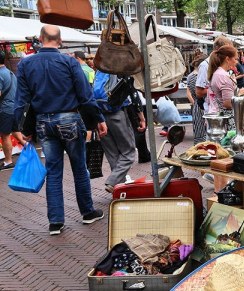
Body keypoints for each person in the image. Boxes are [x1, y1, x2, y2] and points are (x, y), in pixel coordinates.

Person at [14, 25, 107, 235]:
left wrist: (23, 127)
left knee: (53, 171)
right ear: (60, 41)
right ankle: (87, 212)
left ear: (40, 39)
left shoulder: (26, 64)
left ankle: (55, 222)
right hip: (69, 119)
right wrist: (98, 119)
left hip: (42, 121)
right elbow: (85, 96)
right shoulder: (69, 62)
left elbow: (22, 100)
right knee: (79, 168)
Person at [93, 71, 145, 193]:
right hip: (118, 114)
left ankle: (119, 188)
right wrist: (141, 118)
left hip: (101, 117)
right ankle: (112, 182)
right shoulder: (121, 71)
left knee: (112, 154)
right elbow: (133, 95)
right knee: (129, 152)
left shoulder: (99, 71)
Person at [208, 44, 244, 131]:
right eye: (235, 59)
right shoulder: (224, 76)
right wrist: (239, 94)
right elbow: (228, 104)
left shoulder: (218, 73)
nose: (236, 62)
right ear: (227, 59)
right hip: (226, 121)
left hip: (218, 117)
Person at [195, 36, 233, 117]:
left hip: (223, 112)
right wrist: (221, 88)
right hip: (213, 113)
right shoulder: (205, 65)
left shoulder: (224, 66)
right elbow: (198, 93)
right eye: (227, 51)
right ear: (216, 50)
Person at [0, 51, 25, 170]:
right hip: (14, 108)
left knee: (5, 135)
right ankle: (31, 150)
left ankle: (8, 161)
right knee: (16, 133)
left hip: (5, 109)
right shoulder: (9, 72)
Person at [186, 54, 207, 144]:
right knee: (204, 135)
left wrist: (194, 103)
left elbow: (188, 93)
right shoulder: (200, 77)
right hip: (203, 106)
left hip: (196, 106)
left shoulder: (190, 76)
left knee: (198, 133)